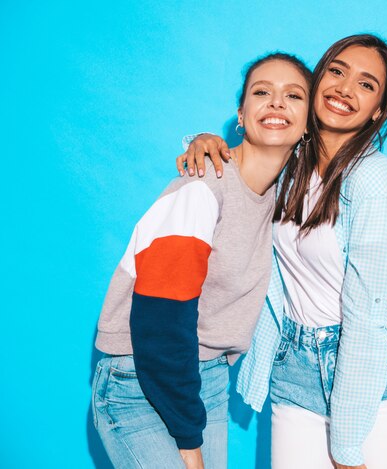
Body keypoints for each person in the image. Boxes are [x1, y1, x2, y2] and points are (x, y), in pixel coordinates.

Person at [179, 34, 387, 469]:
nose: (346, 89)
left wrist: (347, 449)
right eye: (337, 71)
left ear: (379, 110)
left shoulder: (371, 179)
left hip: (368, 382)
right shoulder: (290, 160)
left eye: (367, 85)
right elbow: (241, 154)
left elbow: (366, 317)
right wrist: (200, 139)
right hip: (294, 372)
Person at [91, 53, 313, 469]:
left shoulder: (281, 198)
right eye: (262, 92)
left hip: (205, 378)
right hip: (139, 378)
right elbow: (160, 322)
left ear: (306, 123)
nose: (277, 103)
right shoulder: (202, 189)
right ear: (242, 116)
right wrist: (190, 443)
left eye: (294, 95)